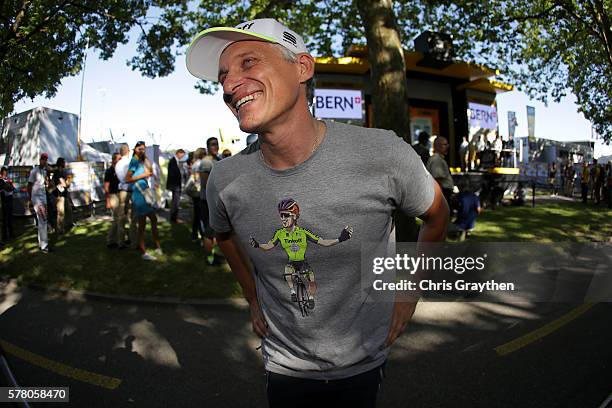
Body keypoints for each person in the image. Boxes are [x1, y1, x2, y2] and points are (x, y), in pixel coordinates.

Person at [186, 18, 448, 406]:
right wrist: (252, 297)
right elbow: (222, 236)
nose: (228, 86)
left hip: (364, 362)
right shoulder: (224, 180)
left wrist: (408, 293)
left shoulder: (383, 153)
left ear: (302, 68)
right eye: (223, 76)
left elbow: (438, 215)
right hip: (283, 365)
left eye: (248, 63)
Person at [250, 198, 353, 309]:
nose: (283, 219)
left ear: (294, 216)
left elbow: (323, 242)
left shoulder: (303, 233)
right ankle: (293, 291)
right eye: (281, 216)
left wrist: (339, 239)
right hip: (291, 262)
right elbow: (269, 246)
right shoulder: (279, 234)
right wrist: (258, 245)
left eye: (286, 215)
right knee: (287, 272)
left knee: (311, 280)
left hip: (302, 262)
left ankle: (311, 298)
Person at [125, 141, 162, 260]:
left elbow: (149, 171)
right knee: (142, 224)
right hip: (138, 194)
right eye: (139, 149)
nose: (142, 151)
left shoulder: (141, 160)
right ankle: (143, 253)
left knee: (153, 219)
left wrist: (148, 173)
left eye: (143, 149)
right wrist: (143, 175)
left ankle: (157, 246)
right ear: (134, 149)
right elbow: (127, 178)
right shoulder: (134, 161)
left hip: (145, 192)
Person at [192, 147, 216, 264]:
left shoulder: (215, 159)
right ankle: (209, 258)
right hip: (207, 200)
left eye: (216, 144)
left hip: (214, 200)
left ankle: (213, 254)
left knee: (215, 229)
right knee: (209, 229)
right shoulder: (206, 162)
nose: (215, 147)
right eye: (213, 144)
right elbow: (206, 183)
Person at [27, 153, 52, 252]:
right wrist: (30, 199)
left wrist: (48, 176)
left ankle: (42, 243)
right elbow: (29, 186)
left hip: (43, 197)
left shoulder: (44, 171)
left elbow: (47, 184)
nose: (44, 161)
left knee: (42, 220)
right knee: (43, 220)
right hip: (36, 198)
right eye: (43, 159)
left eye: (46, 159)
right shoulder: (34, 171)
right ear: (40, 160)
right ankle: (44, 246)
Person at [114, 144, 136, 248]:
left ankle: (120, 242)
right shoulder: (129, 163)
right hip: (130, 190)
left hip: (121, 190)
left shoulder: (118, 164)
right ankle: (133, 241)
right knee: (132, 218)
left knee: (121, 217)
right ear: (128, 151)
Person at [426, 136, 454, 206]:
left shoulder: (439, 159)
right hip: (442, 193)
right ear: (437, 146)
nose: (448, 146)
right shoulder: (436, 159)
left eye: (447, 144)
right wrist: (441, 200)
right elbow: (438, 180)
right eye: (445, 144)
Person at [105, 153, 122, 248]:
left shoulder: (120, 171)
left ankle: (122, 238)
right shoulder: (109, 171)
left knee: (121, 218)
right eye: (119, 159)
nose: (120, 160)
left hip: (120, 195)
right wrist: (107, 200)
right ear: (114, 160)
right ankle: (110, 240)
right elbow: (106, 186)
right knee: (117, 219)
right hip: (113, 196)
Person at [51, 157, 72, 234]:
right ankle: (60, 229)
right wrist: (66, 182)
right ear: (61, 163)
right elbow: (63, 183)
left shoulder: (62, 171)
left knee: (69, 210)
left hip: (64, 194)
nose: (65, 164)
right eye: (63, 162)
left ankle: (68, 225)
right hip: (59, 195)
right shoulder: (58, 172)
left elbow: (65, 184)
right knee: (61, 212)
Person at [166, 149, 186, 223]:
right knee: (175, 202)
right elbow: (173, 173)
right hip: (175, 185)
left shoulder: (175, 161)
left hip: (176, 185)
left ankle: (174, 217)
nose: (182, 157)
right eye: (182, 155)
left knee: (175, 202)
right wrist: (180, 175)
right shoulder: (173, 161)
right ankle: (174, 218)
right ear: (178, 153)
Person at [0, 167, 15, 242]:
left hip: (10, 200)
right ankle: (5, 236)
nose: (6, 174)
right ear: (2, 173)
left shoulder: (8, 180)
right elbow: (8, 188)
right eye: (4, 172)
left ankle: (11, 234)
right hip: (4, 201)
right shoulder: (1, 181)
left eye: (6, 172)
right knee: (5, 219)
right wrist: (10, 186)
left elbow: (12, 188)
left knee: (10, 218)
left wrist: (10, 186)